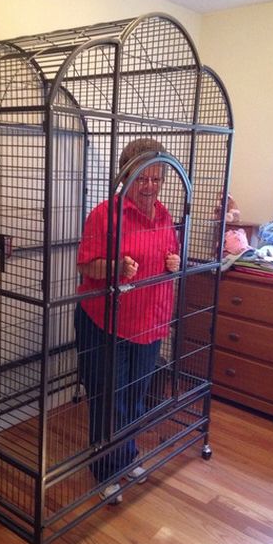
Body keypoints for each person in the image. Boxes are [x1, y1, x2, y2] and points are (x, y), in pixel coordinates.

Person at [74, 138, 181, 504]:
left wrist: (174, 262)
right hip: (106, 323)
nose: (149, 186)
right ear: (125, 177)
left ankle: (127, 455)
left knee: (135, 397)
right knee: (110, 398)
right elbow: (87, 266)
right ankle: (105, 469)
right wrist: (116, 267)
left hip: (149, 322)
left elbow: (169, 253)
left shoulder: (163, 215)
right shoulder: (105, 214)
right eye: (141, 178)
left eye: (156, 178)